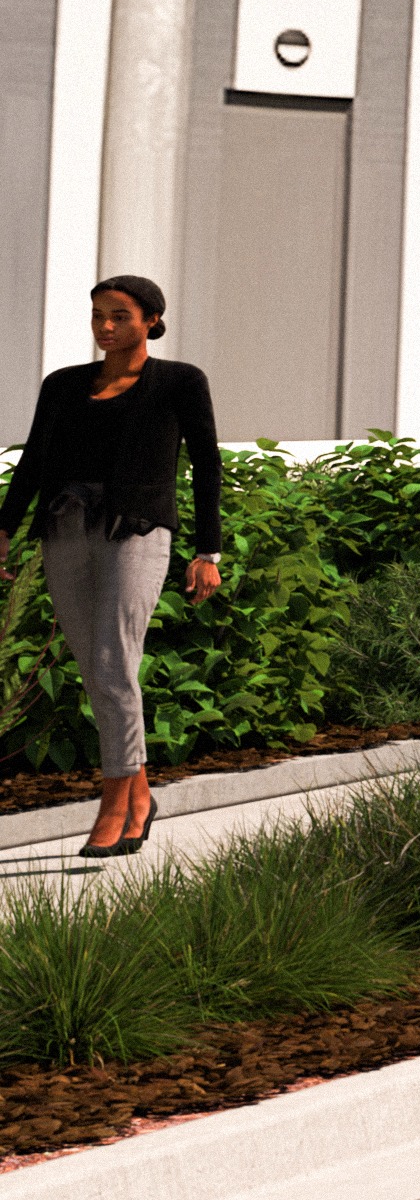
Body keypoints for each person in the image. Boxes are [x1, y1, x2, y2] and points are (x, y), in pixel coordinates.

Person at [10, 274, 228, 861]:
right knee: (100, 666)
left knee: (111, 660)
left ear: (151, 320)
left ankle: (112, 802)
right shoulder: (62, 385)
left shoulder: (181, 382)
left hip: (137, 529)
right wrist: (4, 530)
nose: (106, 328)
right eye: (98, 315)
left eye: (120, 316)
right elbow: (33, 461)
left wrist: (208, 553)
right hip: (65, 526)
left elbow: (206, 467)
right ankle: (140, 795)